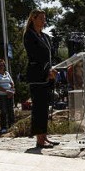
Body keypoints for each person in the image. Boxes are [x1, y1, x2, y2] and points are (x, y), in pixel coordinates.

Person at [23, 9, 59, 148]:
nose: (44, 21)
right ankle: (39, 140)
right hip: (37, 76)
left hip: (47, 77)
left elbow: (49, 57)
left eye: (45, 19)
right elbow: (35, 57)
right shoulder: (29, 35)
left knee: (44, 108)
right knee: (38, 108)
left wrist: (53, 70)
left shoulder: (45, 36)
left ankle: (44, 136)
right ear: (33, 18)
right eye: (41, 18)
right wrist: (46, 73)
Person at [0, 59, 15, 134]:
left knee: (11, 110)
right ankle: (3, 127)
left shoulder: (7, 73)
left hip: (10, 94)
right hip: (2, 95)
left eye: (3, 65)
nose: (1, 67)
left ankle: (12, 125)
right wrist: (6, 91)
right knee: (3, 111)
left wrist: (12, 91)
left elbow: (11, 82)